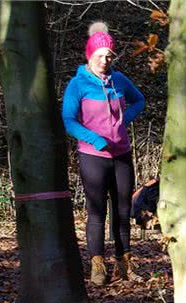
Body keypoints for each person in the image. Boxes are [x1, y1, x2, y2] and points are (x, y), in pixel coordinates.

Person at [62, 21, 145, 286]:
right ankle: (97, 265)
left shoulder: (119, 80)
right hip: (93, 156)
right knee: (96, 212)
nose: (105, 60)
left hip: (122, 154)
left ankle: (124, 263)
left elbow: (139, 100)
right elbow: (68, 119)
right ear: (89, 55)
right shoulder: (78, 84)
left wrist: (125, 120)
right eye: (100, 55)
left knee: (122, 210)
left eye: (109, 55)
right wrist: (94, 139)